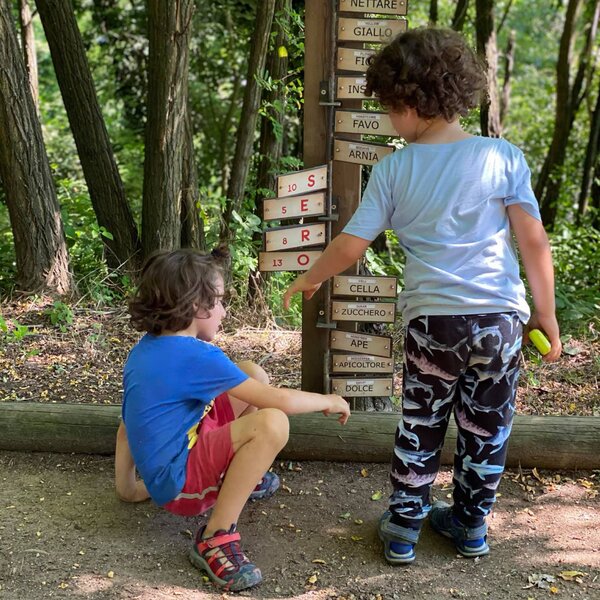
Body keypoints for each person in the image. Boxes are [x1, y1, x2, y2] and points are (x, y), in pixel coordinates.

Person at [283, 27, 561, 565]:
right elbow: (532, 239)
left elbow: (351, 242)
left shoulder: (394, 169)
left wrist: (311, 276)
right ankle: (471, 526)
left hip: (434, 325)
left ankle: (405, 527)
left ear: (411, 100)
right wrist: (544, 312)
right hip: (500, 323)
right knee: (488, 425)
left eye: (389, 107)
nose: (388, 119)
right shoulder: (502, 156)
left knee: (422, 420)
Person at [115, 248, 350, 591]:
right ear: (197, 306)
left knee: (251, 373)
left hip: (173, 463)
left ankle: (237, 477)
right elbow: (280, 401)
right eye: (220, 301)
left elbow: (128, 426)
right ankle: (215, 537)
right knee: (272, 423)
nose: (224, 312)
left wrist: (128, 488)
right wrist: (327, 399)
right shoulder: (196, 357)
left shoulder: (145, 352)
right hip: (181, 485)